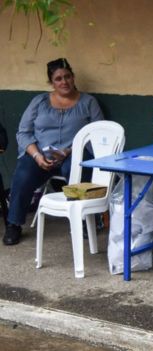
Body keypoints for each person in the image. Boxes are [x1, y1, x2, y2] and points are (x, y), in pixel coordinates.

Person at [4, 58, 104, 246]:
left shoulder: (88, 102)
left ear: (73, 77)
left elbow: (97, 133)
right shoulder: (39, 101)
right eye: (58, 79)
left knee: (74, 168)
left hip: (74, 154)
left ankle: (85, 219)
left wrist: (69, 150)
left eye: (67, 77)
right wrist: (36, 155)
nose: (64, 82)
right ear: (51, 82)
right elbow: (23, 132)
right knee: (23, 173)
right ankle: (14, 223)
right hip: (41, 155)